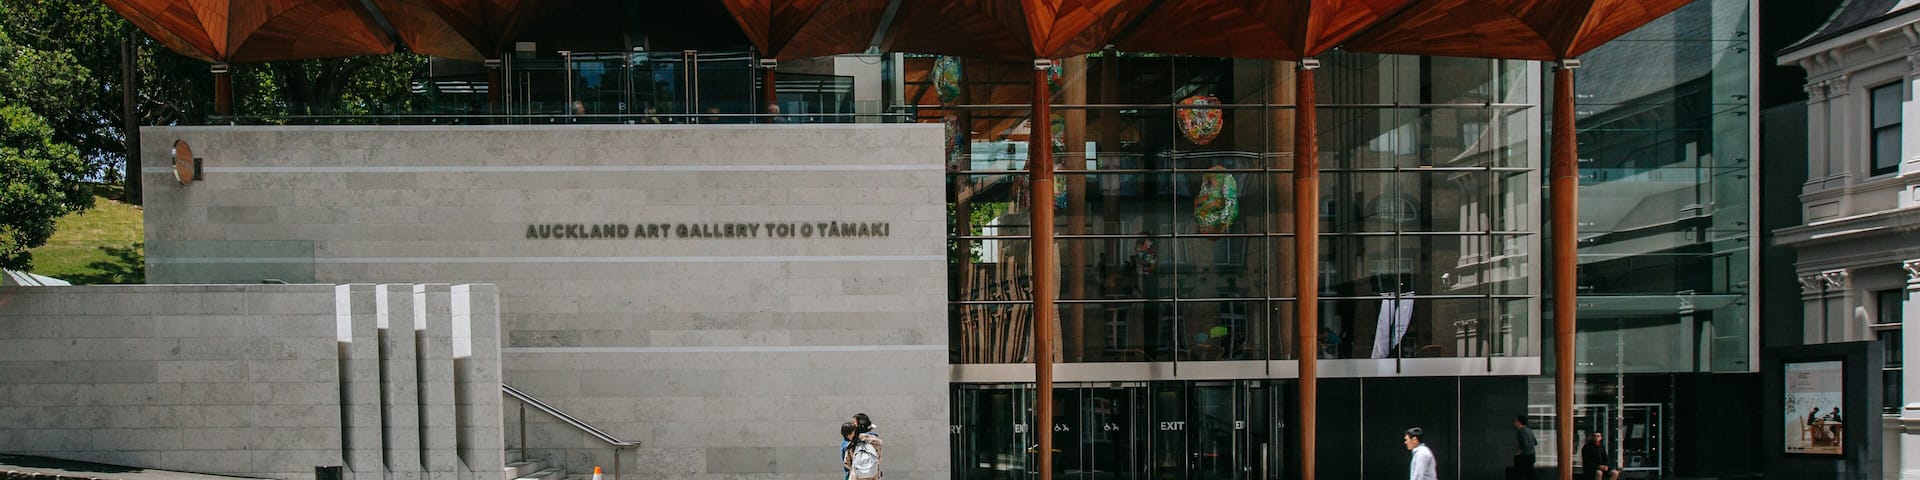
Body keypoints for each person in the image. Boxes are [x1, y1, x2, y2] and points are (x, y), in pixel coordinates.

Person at [1510, 415, 1536, 480]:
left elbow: (1524, 444)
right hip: (1532, 455)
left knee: (1517, 475)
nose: (1514, 423)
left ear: (1519, 422)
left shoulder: (1521, 431)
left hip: (1524, 457)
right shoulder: (1530, 430)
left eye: (1515, 421)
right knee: (1530, 475)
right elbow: (1535, 443)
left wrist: (1518, 453)